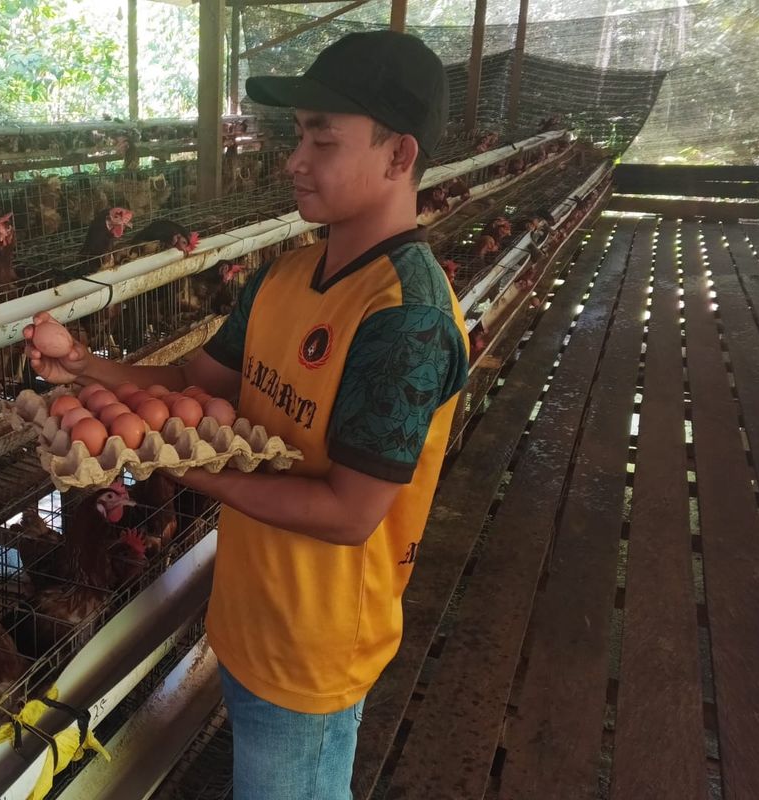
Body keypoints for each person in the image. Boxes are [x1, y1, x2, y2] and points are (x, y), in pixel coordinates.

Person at [25, 30, 468, 800]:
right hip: (247, 616)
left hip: (315, 652)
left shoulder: (407, 319)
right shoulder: (284, 276)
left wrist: (189, 467)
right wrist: (86, 368)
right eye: (297, 135)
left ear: (400, 156)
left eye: (321, 139)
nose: (294, 160)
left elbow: (347, 514)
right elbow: (193, 382)